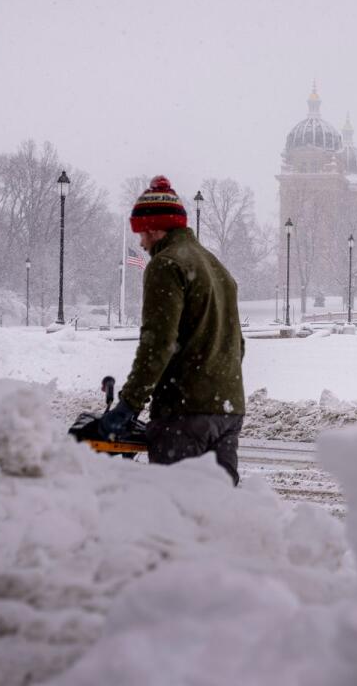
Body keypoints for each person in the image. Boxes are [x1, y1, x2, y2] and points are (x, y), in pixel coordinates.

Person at [100, 176, 246, 485]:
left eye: (141, 234)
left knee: (176, 517)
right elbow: (238, 344)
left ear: (154, 229)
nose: (141, 244)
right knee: (217, 515)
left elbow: (158, 343)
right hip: (228, 410)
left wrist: (129, 404)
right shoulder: (215, 266)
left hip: (184, 413)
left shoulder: (166, 264)